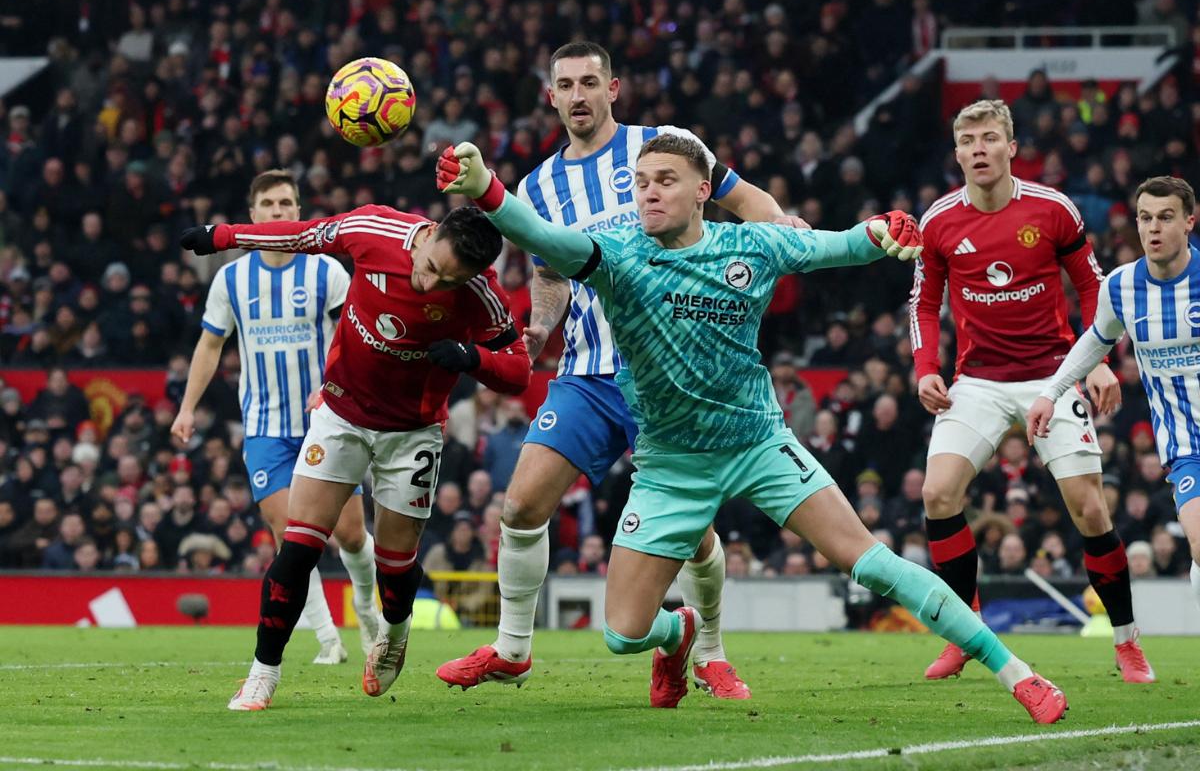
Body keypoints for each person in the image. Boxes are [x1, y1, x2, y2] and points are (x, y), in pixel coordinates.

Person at [436, 133, 1068, 722]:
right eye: (641, 182)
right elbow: (541, 233)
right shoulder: (617, 257)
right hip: (671, 466)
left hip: (759, 445)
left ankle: (1018, 674)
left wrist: (880, 231)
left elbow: (838, 245)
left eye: (665, 180)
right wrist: (486, 185)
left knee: (870, 562)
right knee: (621, 634)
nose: (648, 192)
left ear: (703, 190)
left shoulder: (752, 245)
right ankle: (679, 632)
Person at [438, 41, 805, 699]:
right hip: (587, 371)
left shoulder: (664, 145)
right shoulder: (539, 186)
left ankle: (709, 650)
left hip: (669, 371)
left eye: (589, 82)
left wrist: (783, 232)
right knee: (520, 504)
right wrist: (542, 325)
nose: (578, 95)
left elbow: (743, 199)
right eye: (565, 85)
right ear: (550, 97)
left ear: (614, 88)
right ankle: (513, 649)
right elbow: (551, 273)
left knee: (692, 536)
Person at [179, 199, 531, 710]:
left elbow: (519, 369)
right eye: (431, 267)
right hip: (339, 415)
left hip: (411, 435)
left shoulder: (480, 293)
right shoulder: (374, 230)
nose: (429, 285)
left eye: (447, 282)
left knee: (394, 569)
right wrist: (223, 234)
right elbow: (300, 235)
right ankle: (262, 674)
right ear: (429, 233)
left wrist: (472, 358)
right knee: (298, 546)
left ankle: (395, 630)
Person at [910, 99, 1154, 684]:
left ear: (1011, 147)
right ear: (957, 153)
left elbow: (1092, 289)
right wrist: (926, 366)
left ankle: (1126, 641)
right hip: (978, 381)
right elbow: (923, 303)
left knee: (1089, 508)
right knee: (938, 494)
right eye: (967, 140)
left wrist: (1098, 361)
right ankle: (966, 633)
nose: (978, 149)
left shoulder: (1052, 210)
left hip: (1055, 373)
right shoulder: (939, 221)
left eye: (989, 138)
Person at [172, 169, 379, 666]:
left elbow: (353, 336)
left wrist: (334, 386)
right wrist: (186, 407)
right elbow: (210, 344)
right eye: (269, 204)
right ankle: (329, 639)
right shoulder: (231, 279)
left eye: (287, 204)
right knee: (293, 540)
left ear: (299, 212)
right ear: (253, 215)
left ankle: (369, 611)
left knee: (350, 535)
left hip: (327, 423)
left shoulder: (326, 271)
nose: (279, 212)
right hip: (265, 427)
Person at [1029, 176, 1200, 620]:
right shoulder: (1121, 286)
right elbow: (1094, 342)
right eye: (1145, 218)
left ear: (1189, 222)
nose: (1153, 228)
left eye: (1166, 218)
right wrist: (1051, 392)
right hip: (1185, 445)